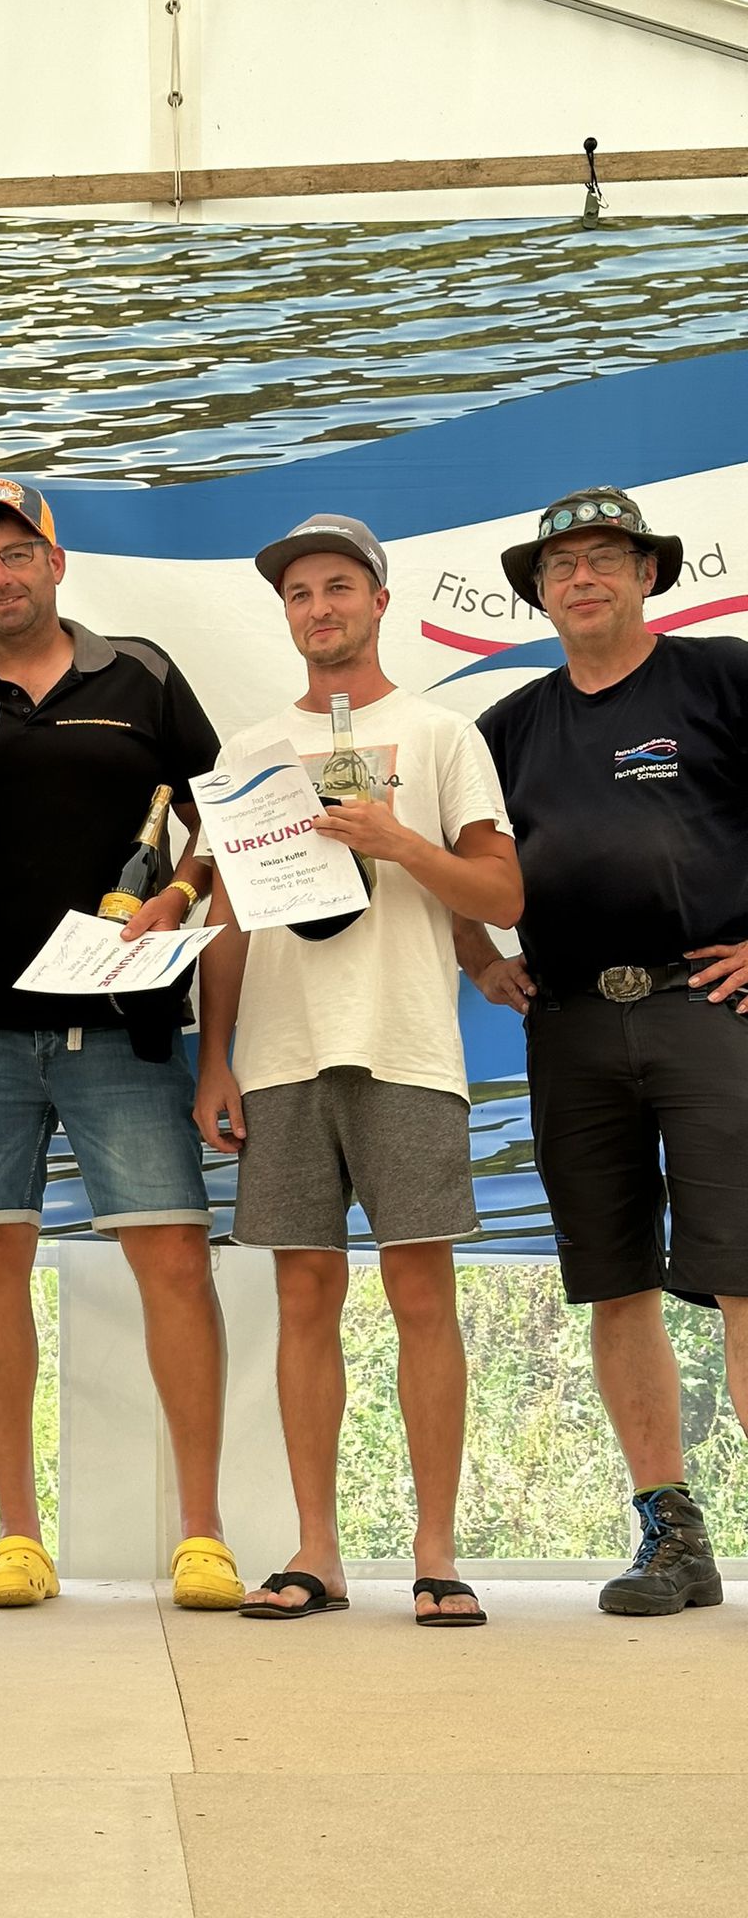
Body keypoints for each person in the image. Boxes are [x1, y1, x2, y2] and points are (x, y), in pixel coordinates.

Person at [0, 477, 242, 1610]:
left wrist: (180, 894)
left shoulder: (144, 676)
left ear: (56, 561)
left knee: (174, 1263)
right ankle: (17, 1538)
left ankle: (203, 1535)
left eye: (15, 555)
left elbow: (220, 822)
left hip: (125, 1022)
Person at [195, 514, 520, 1625]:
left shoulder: (440, 734)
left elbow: (502, 894)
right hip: (280, 1055)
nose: (319, 607)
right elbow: (226, 918)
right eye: (299, 593)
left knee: (422, 1293)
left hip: (407, 1044)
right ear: (285, 615)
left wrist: (401, 843)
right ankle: (316, 1551)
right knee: (303, 1295)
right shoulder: (247, 753)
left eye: (338, 587)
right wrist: (216, 1060)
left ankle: (437, 1552)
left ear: (379, 600)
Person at [456, 485, 748, 1616]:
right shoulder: (506, 728)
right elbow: (445, 857)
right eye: (561, 565)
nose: (583, 578)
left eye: (606, 559)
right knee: (615, 1282)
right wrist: (480, 956)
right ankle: (672, 1538)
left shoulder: (721, 679)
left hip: (707, 1008)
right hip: (571, 1022)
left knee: (743, 1273)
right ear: (537, 592)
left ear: (648, 574)